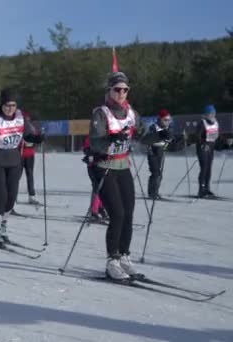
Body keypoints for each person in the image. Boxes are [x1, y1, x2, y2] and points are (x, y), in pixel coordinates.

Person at [89, 71, 160, 281]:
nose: (121, 93)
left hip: (122, 165)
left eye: (125, 90)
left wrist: (160, 136)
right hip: (103, 166)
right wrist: (112, 138)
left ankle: (124, 257)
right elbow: (95, 143)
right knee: (117, 214)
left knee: (128, 213)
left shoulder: (131, 113)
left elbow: (142, 137)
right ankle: (112, 261)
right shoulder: (101, 113)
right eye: (117, 89)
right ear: (109, 91)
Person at [0, 89, 43, 247]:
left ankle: (3, 225)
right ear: (2, 104)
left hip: (14, 161)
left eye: (13, 105)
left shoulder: (21, 117)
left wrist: (37, 138)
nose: (10, 108)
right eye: (7, 105)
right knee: (0, 197)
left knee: (11, 198)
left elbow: (27, 135)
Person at [146, 109, 173, 199]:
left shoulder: (168, 128)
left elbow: (170, 139)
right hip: (153, 151)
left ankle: (155, 192)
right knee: (155, 172)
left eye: (168, 120)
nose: (167, 122)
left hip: (160, 151)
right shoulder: (153, 127)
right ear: (160, 119)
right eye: (165, 120)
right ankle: (152, 193)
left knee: (159, 174)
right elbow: (149, 139)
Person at [195, 105, 219, 198]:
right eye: (210, 113)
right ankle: (201, 190)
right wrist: (202, 144)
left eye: (213, 113)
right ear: (206, 114)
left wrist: (226, 143)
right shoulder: (202, 122)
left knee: (209, 168)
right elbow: (197, 136)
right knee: (204, 167)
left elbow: (217, 136)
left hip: (211, 147)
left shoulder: (215, 122)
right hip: (202, 148)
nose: (212, 115)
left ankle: (207, 189)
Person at [82, 136, 108, 222]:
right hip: (93, 166)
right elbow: (86, 150)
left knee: (103, 188)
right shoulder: (91, 137)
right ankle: (93, 211)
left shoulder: (106, 136)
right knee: (97, 187)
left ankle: (100, 208)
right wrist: (96, 155)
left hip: (103, 166)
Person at [19, 111, 41, 205]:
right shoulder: (18, 127)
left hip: (29, 154)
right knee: (16, 177)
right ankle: (11, 196)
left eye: (27, 119)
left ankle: (31, 196)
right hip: (20, 154)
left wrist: (39, 138)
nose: (26, 121)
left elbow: (35, 137)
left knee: (30, 175)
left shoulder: (31, 127)